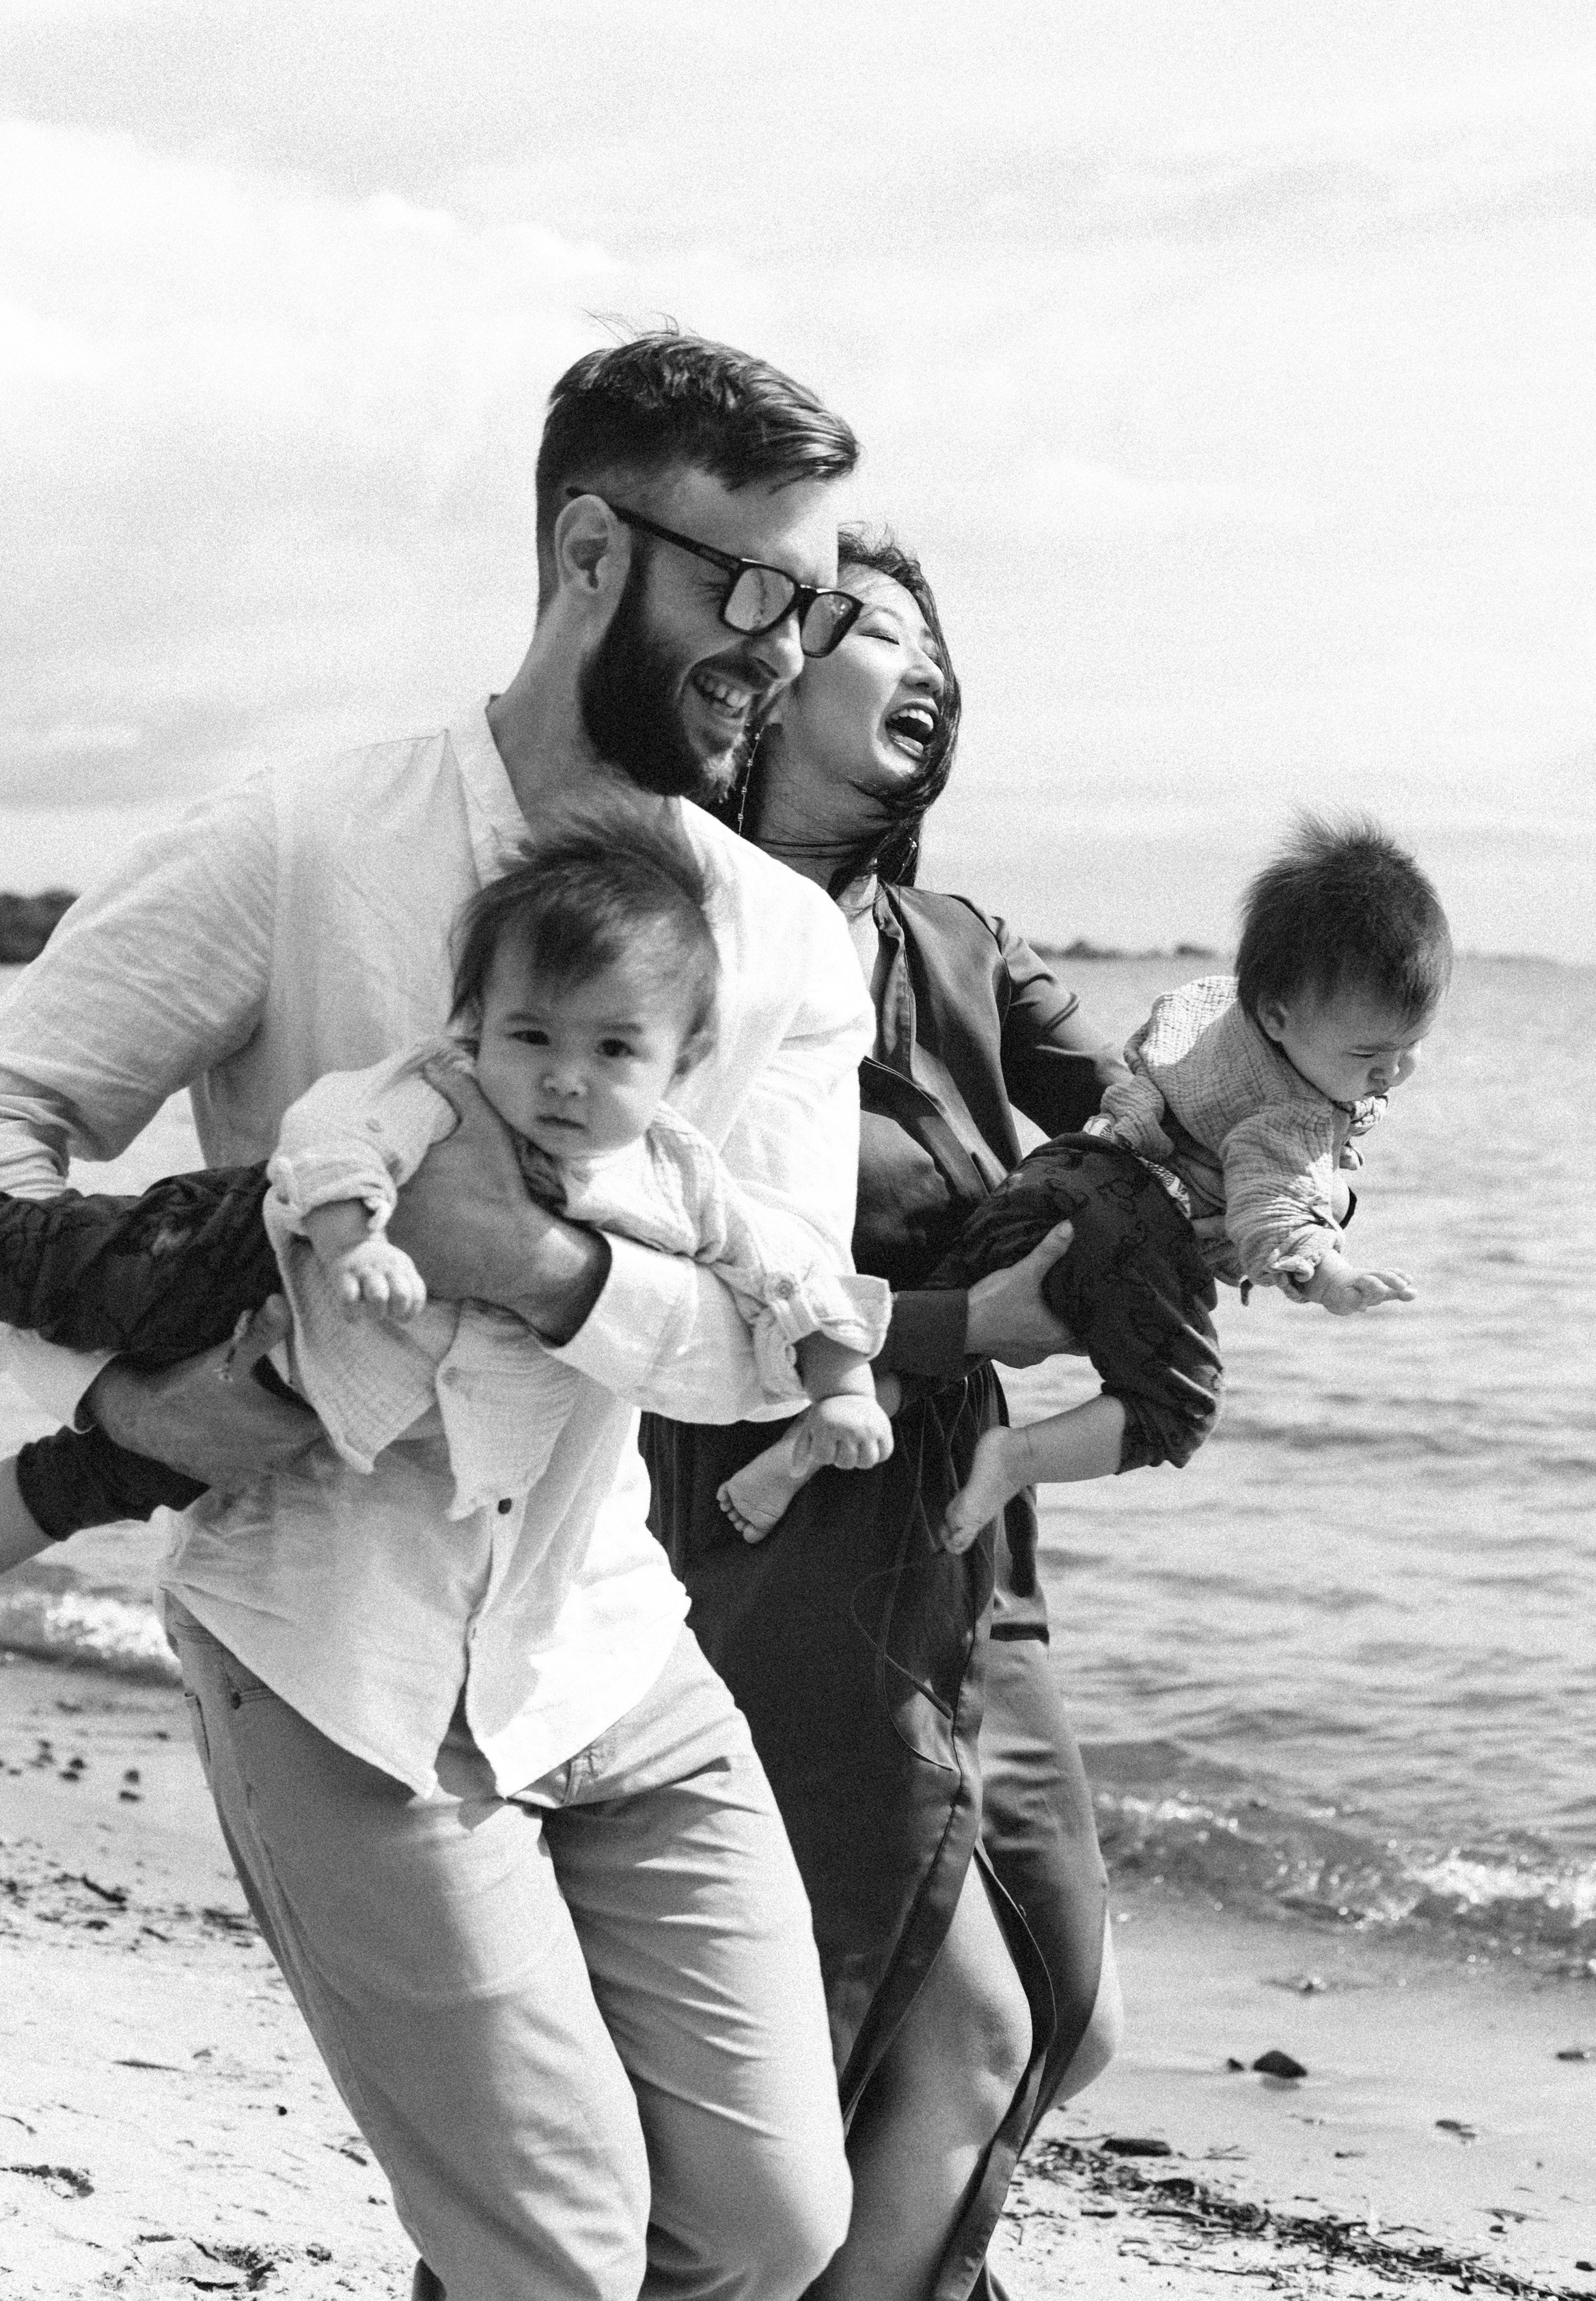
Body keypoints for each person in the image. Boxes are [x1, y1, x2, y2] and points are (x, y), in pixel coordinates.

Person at [0, 333, 894, 2301]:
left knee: (776, 2227)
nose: (785, 647)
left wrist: (537, 1268)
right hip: (329, 1643)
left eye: (820, 599)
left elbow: (778, 1329)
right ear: (592, 550)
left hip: (611, 1641)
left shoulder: (776, 942)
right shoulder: (300, 840)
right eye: (751, 586)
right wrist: (135, 1391)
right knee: (562, 2250)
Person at [644, 528, 1226, 2301]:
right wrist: (973, 1315)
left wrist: (1267, 1145)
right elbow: (683, 1264)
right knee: (948, 2031)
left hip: (977, 1544)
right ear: (771, 680)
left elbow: (1154, 1121)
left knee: (1071, 2017)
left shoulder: (963, 949)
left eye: (942, 650)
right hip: (777, 1534)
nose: (931, 669)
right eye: (881, 631)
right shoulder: (683, 935)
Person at [0, 812, 891, 1722]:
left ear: (685, 1058)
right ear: (477, 1023)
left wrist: (841, 1386)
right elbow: (336, 1137)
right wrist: (360, 1239)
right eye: (532, 1035)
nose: (566, 1079)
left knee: (99, 1480)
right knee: (19, 1255)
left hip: (290, 1396)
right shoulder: (446, 1091)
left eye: (615, 1052)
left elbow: (787, 1278)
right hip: (224, 1259)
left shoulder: (678, 1178)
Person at [939, 814, 1448, 1552]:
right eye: (1369, 1054)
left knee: (947, 1311)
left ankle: (826, 1424)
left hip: (1051, 1174)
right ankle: (1017, 1456)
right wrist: (1332, 1276)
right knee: (1175, 1410)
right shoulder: (1294, 1116)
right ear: (1278, 1018)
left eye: (1411, 1046)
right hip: (1130, 1224)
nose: (1391, 1072)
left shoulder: (1211, 1002)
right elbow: (1274, 1207)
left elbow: (1139, 1067)